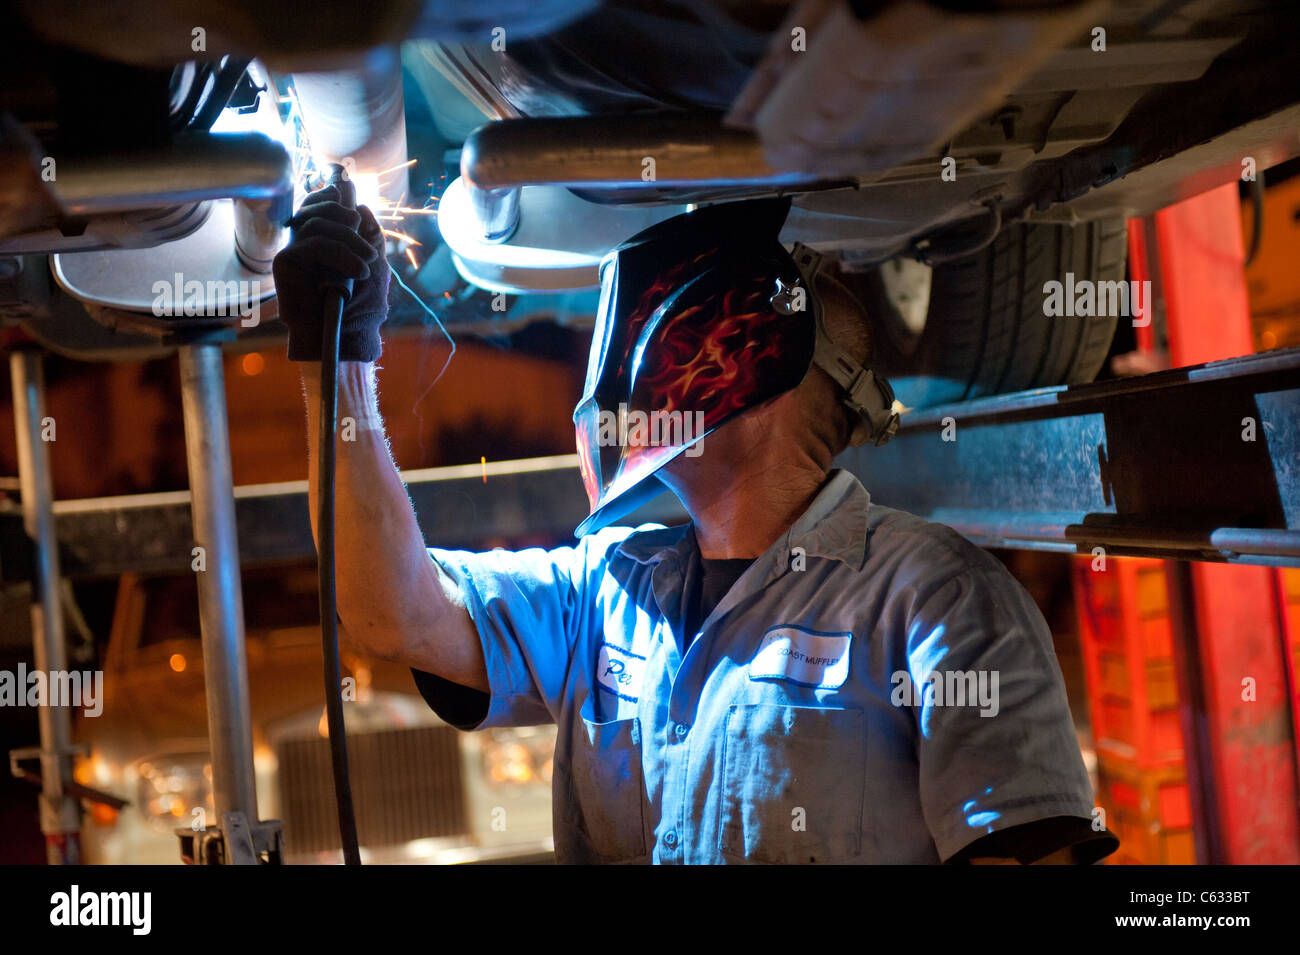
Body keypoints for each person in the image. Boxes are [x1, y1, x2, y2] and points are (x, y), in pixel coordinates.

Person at [273, 189, 1118, 865]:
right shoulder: (602, 591)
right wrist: (337, 361)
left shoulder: (935, 601)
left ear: (761, 357)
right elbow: (390, 610)